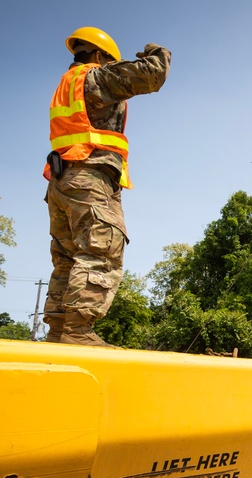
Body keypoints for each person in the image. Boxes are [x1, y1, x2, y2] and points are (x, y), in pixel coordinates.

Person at [43, 27, 171, 346]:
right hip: (89, 176)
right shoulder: (95, 78)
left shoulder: (66, 84)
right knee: (101, 249)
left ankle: (59, 331)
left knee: (68, 257)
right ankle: (77, 331)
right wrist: (156, 51)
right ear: (100, 56)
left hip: (61, 181)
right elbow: (153, 74)